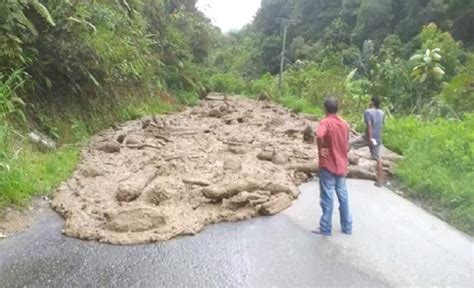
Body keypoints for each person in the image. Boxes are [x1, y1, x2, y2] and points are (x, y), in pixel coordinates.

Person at [313, 97, 352, 236]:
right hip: (341, 165)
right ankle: (347, 227)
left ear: (325, 109)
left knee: (327, 197)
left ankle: (325, 227)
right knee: (343, 196)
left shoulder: (325, 122)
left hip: (328, 165)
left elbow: (318, 135)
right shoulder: (344, 124)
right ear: (337, 109)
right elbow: (347, 145)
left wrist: (322, 149)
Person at [351, 96, 385, 187]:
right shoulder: (382, 113)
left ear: (372, 102)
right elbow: (381, 126)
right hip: (377, 138)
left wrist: (369, 138)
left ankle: (340, 168)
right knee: (378, 158)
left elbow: (369, 125)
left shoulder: (368, 112)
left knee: (348, 144)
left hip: (367, 137)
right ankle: (380, 180)